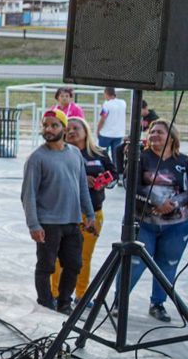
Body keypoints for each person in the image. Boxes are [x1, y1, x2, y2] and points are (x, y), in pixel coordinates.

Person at [21, 109, 96, 312]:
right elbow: (28, 195)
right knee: (46, 266)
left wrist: (89, 214)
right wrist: (34, 224)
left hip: (72, 222)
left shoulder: (74, 154)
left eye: (54, 125)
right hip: (48, 223)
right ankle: (45, 304)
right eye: (45, 125)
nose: (48, 129)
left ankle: (64, 303)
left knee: (73, 265)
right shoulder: (36, 158)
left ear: (63, 128)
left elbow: (82, 186)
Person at [51, 116, 117, 306]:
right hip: (64, 213)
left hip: (93, 212)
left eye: (75, 127)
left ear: (85, 130)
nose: (71, 131)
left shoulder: (100, 153)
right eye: (67, 129)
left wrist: (101, 181)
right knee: (58, 256)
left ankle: (82, 294)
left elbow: (114, 175)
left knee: (83, 257)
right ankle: (55, 294)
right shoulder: (59, 153)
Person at [128, 119, 188, 322]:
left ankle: (158, 303)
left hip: (176, 226)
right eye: (152, 131)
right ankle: (120, 302)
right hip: (144, 222)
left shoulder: (184, 162)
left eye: (159, 132)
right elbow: (132, 187)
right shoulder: (140, 159)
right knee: (134, 264)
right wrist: (156, 201)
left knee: (167, 265)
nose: (154, 135)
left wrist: (175, 203)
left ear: (171, 137)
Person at [96, 87, 127, 163]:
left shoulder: (106, 104)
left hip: (106, 134)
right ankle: (115, 171)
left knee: (102, 154)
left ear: (106, 94)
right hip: (119, 134)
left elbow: (103, 118)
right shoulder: (123, 103)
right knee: (115, 156)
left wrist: (98, 130)